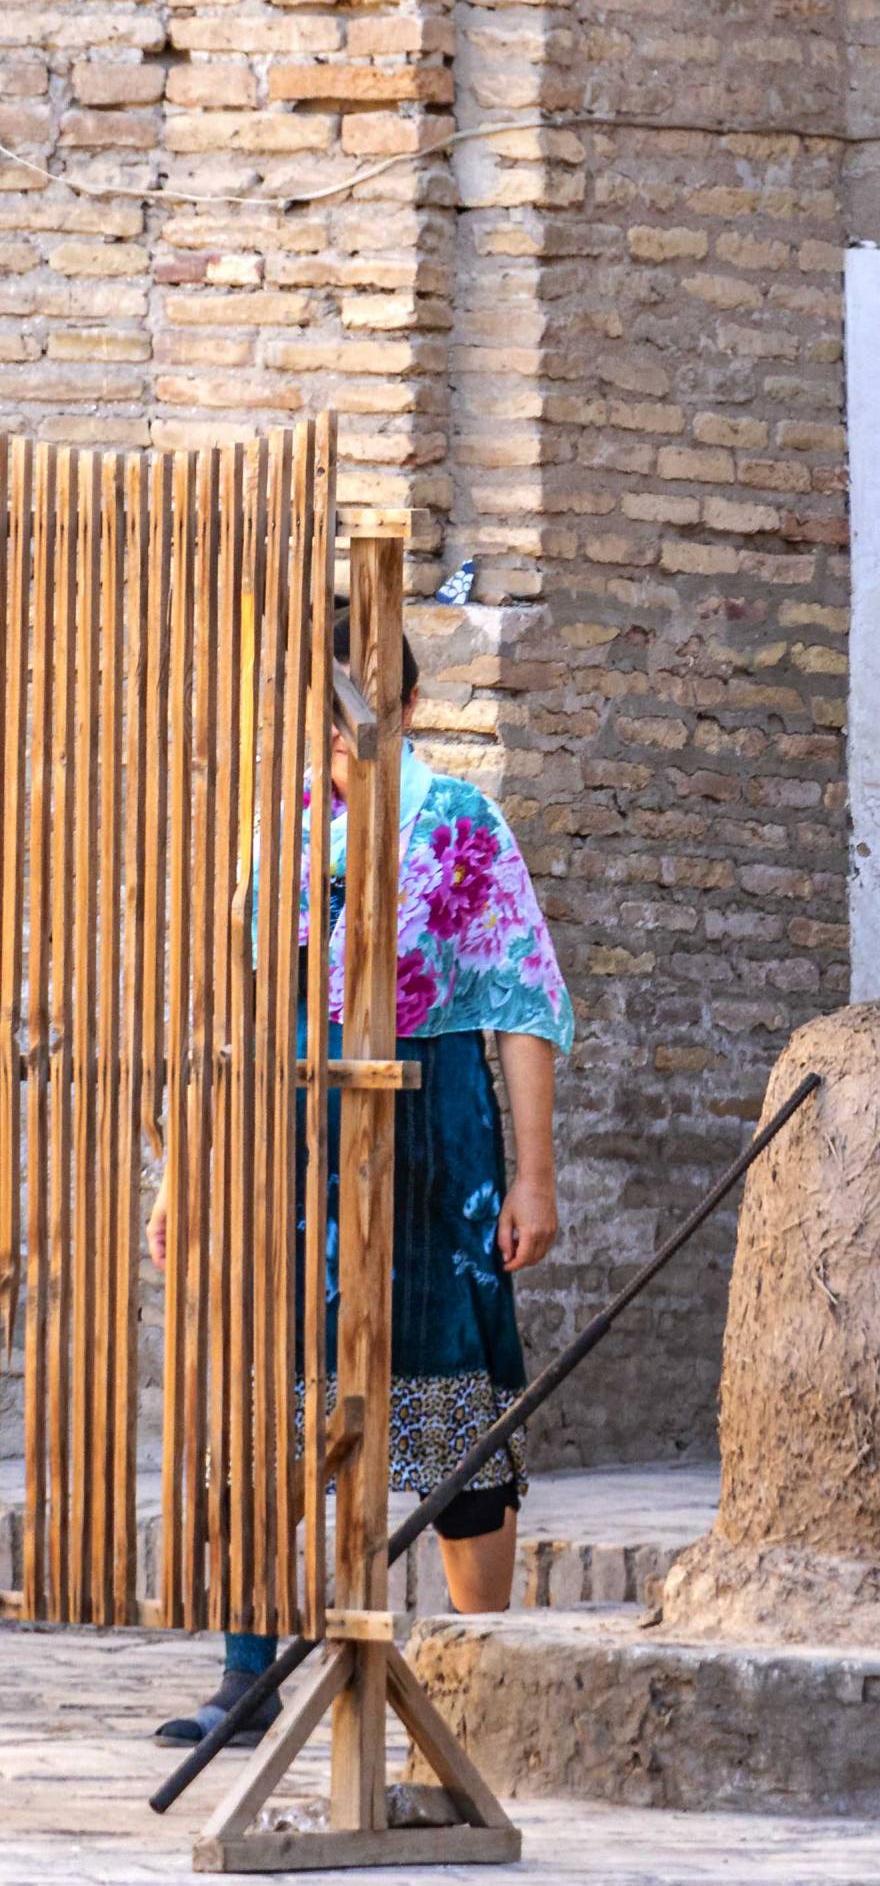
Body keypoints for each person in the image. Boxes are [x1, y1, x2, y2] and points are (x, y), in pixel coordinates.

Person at [146, 615, 572, 1746]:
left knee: (446, 1392)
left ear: (412, 711)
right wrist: (185, 1171)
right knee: (265, 1381)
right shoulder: (280, 833)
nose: (340, 733)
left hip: (434, 1138)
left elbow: (521, 1005)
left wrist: (533, 1175)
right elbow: (225, 1015)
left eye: (363, 708)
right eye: (327, 710)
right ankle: (246, 1676)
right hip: (289, 1135)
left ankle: (484, 1676)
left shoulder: (460, 823)